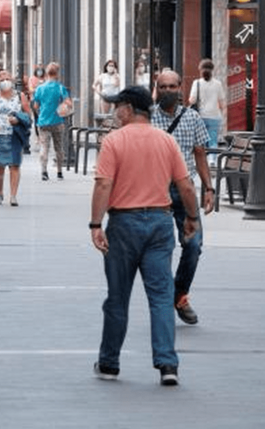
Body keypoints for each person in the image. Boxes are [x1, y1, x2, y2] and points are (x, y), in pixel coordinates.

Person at [90, 86, 200, 386]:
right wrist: (192, 219)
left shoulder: (114, 141)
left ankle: (110, 362)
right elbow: (186, 185)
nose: (115, 112)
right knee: (162, 297)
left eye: (117, 107)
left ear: (128, 108)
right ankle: (167, 364)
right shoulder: (166, 141)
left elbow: (103, 185)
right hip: (160, 223)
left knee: (117, 297)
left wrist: (95, 225)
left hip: (123, 224)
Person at [151, 70, 215, 325]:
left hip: (184, 190)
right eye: (163, 86)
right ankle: (166, 298)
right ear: (157, 88)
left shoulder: (192, 117)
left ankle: (179, 293)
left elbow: (200, 154)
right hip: (155, 192)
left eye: (172, 86)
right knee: (161, 249)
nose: (168, 90)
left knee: (194, 245)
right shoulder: (146, 118)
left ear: (180, 88)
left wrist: (209, 188)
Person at [0, 70, 31, 206]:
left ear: (12, 81)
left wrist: (17, 119)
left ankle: (13, 196)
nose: (5, 81)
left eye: (7, 78)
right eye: (2, 79)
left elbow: (28, 114)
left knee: (14, 165)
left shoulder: (20, 96)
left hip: (14, 136)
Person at [33, 62, 72, 181]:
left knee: (44, 147)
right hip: (58, 121)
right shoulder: (61, 88)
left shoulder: (40, 88)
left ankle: (44, 171)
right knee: (58, 148)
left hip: (43, 121)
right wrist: (62, 108)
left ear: (46, 73)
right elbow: (68, 103)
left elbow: (35, 106)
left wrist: (41, 113)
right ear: (57, 74)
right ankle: (59, 172)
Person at [188, 59, 226, 166]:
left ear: (200, 70)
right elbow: (222, 101)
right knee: (213, 140)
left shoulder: (197, 83)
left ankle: (202, 160)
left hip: (200, 116)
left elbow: (192, 100)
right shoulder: (218, 84)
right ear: (212, 70)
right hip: (215, 116)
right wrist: (222, 113)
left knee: (201, 140)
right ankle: (212, 160)